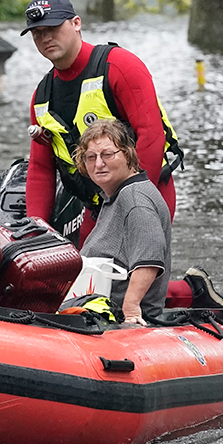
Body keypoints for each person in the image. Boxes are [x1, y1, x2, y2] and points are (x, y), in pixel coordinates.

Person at [21, 0, 183, 247]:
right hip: (95, 206)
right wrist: (34, 231)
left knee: (137, 282)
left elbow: (151, 136)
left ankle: (191, 288)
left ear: (76, 23)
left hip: (147, 194)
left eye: (52, 27)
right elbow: (41, 169)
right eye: (37, 33)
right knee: (89, 282)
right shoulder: (41, 97)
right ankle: (194, 288)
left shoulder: (120, 66)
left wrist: (134, 204)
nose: (45, 38)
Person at [73, 119, 171, 324]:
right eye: (91, 157)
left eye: (107, 154)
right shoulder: (118, 195)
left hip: (116, 319)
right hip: (95, 310)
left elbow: (150, 257)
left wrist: (132, 310)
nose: (98, 164)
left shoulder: (135, 200)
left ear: (127, 154)